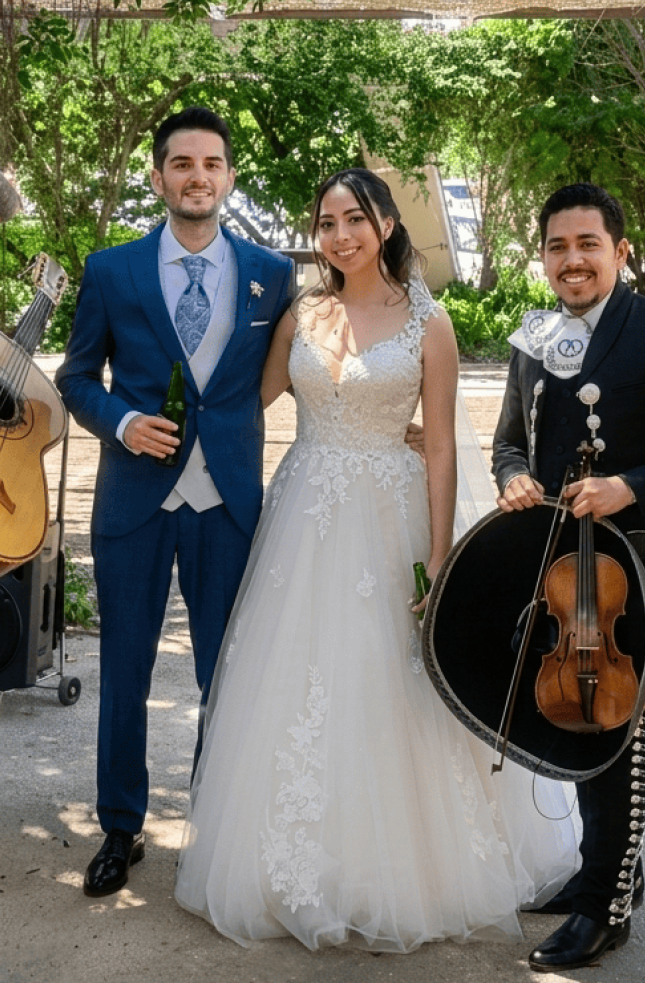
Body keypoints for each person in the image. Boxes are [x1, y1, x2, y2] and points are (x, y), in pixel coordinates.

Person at [174, 168, 578, 952]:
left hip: (389, 517)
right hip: (302, 514)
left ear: (387, 224)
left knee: (388, 676)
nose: (340, 235)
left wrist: (437, 555)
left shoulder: (431, 323)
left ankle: (405, 870)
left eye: (354, 218)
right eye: (326, 222)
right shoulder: (302, 311)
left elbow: (440, 454)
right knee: (290, 682)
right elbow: (247, 404)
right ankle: (285, 864)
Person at [55, 107, 296, 897]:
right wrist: (120, 421)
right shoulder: (111, 269)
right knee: (124, 671)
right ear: (158, 177)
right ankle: (121, 829)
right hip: (135, 504)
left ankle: (214, 824)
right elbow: (76, 377)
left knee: (223, 674)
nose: (198, 176)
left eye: (213, 163)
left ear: (229, 177)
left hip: (226, 499)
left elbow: (313, 366)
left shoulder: (272, 272)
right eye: (182, 164)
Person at [492, 183, 645, 971]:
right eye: (557, 246)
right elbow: (509, 444)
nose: (572, 260)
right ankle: (606, 871)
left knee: (624, 734)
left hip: (641, 567)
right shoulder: (532, 337)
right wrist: (513, 477)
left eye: (587, 244)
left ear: (619, 252)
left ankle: (603, 910)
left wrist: (631, 485)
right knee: (577, 723)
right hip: (555, 569)